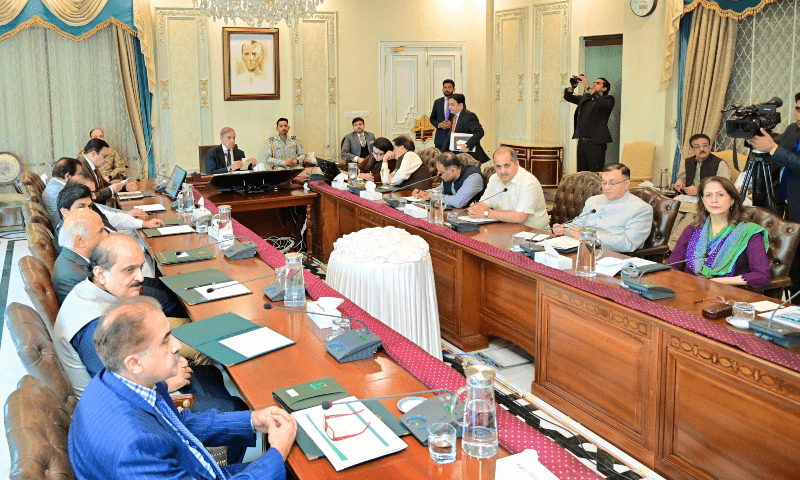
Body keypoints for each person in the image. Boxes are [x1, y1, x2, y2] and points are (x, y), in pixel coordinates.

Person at [68, 296, 296, 480]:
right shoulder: (135, 447)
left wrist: (253, 420)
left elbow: (179, 425)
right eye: (165, 340)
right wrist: (277, 453)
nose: (177, 345)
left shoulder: (119, 378)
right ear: (135, 362)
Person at [53, 235, 248, 425]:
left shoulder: (90, 288)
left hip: (136, 385)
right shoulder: (94, 327)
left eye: (140, 267)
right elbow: (117, 390)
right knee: (234, 411)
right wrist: (167, 383)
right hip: (127, 413)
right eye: (129, 270)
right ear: (101, 273)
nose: (140, 277)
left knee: (209, 371)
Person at [668, 176, 770, 288]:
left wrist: (718, 282)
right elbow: (673, 265)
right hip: (689, 289)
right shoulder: (693, 229)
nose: (714, 200)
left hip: (727, 293)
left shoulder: (749, 233)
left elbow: (762, 276)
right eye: (708, 195)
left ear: (732, 200)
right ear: (703, 200)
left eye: (720, 194)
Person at [748, 91, 800, 293]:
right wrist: (756, 141)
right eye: (797, 109)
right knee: (792, 261)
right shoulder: (793, 129)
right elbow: (776, 156)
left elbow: (780, 153)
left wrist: (772, 148)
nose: (799, 116)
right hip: (785, 201)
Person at [553, 163, 653, 253]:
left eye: (612, 183)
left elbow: (629, 243)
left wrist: (593, 238)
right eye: (604, 183)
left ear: (626, 184)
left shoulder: (641, 209)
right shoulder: (593, 200)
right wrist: (563, 229)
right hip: (583, 250)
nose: (607, 187)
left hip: (615, 256)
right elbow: (577, 225)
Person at [467, 147, 549, 230]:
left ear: (517, 163)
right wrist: (475, 210)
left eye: (507, 166)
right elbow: (484, 205)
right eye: (498, 167)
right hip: (504, 228)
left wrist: (486, 213)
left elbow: (520, 217)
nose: (503, 171)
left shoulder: (529, 182)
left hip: (533, 233)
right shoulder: (494, 178)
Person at [563, 76, 615, 172]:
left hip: (596, 143)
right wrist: (573, 86)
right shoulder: (586, 98)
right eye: (594, 82)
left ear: (604, 88)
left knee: (595, 173)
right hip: (582, 143)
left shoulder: (608, 99)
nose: (594, 84)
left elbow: (601, 103)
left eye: (598, 83)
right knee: (582, 173)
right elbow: (568, 97)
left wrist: (588, 86)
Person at [412, 151, 485, 208]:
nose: (438, 174)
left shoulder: (473, 177)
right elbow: (441, 189)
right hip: (452, 213)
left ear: (453, 170)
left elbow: (458, 202)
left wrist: (435, 196)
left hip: (472, 216)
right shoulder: (448, 177)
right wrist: (425, 193)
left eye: (441, 172)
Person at [79, 138, 136, 203]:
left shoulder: (92, 166)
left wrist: (126, 187)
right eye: (105, 156)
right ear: (93, 153)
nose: (107, 160)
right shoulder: (80, 168)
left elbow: (105, 185)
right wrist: (111, 190)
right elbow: (90, 197)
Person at [441, 93, 490, 164]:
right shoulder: (454, 116)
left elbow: (479, 132)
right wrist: (442, 153)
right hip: (458, 155)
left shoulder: (469, 116)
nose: (449, 107)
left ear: (461, 105)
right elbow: (450, 135)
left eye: (452, 105)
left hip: (469, 157)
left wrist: (467, 145)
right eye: (449, 104)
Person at [43, 157, 82, 227]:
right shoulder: (58, 191)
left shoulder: (54, 184)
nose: (81, 178)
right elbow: (76, 213)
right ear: (68, 176)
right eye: (79, 174)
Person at [430, 79, 456, 150]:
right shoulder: (437, 102)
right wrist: (439, 125)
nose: (447, 89)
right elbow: (432, 118)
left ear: (454, 89)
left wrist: (452, 124)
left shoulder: (458, 102)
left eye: (449, 87)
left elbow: (463, 118)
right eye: (445, 87)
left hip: (454, 138)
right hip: (440, 139)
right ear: (442, 89)